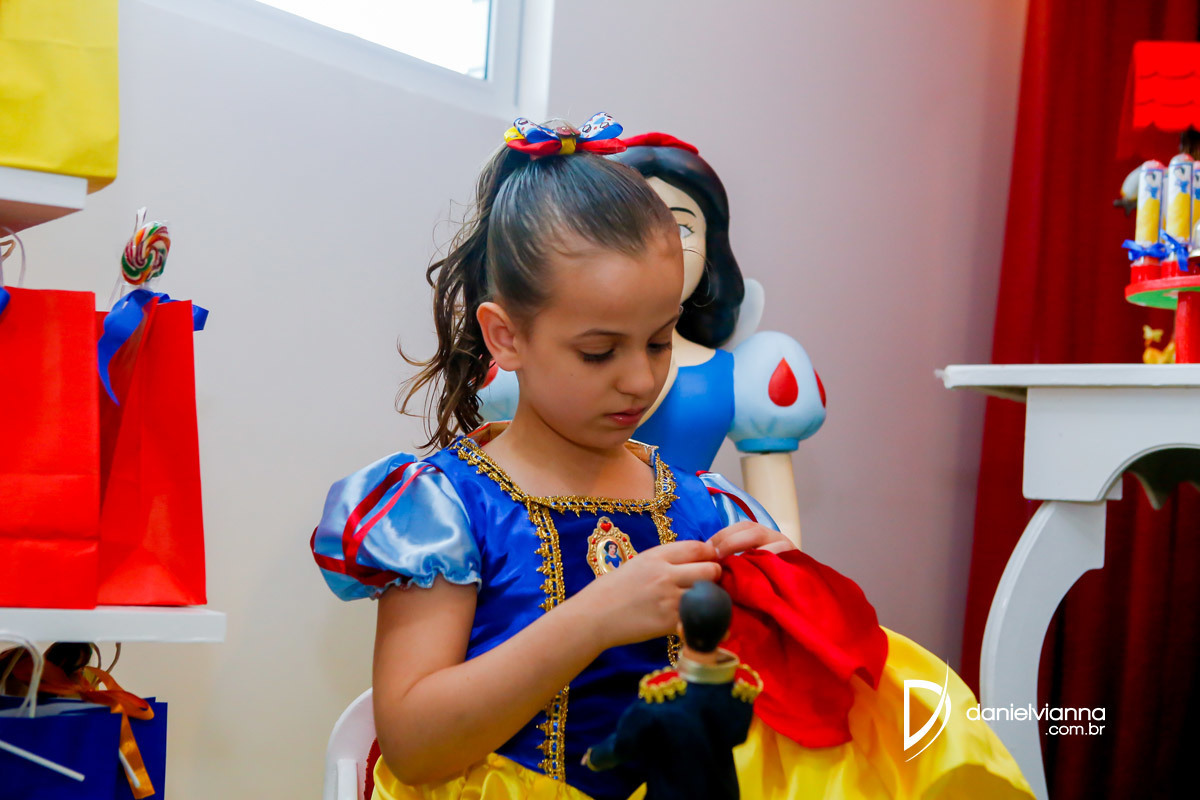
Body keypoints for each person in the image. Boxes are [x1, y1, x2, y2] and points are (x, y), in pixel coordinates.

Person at [311, 113, 1034, 800]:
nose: (639, 378)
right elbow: (414, 745)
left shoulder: (704, 506)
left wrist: (772, 610)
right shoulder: (446, 511)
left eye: (660, 340)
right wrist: (595, 617)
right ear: (506, 337)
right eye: (599, 352)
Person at [583, 581, 759, 800]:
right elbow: (739, 736)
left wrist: (595, 758)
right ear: (725, 633)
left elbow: (623, 745)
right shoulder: (740, 694)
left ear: (681, 629)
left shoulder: (661, 700)